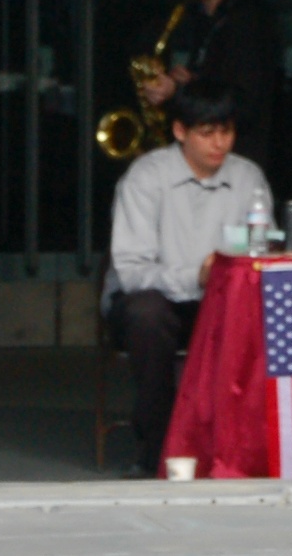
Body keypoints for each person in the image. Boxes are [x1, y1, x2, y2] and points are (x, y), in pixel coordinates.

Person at [108, 80, 272, 477]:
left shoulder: (248, 178)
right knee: (147, 314)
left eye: (226, 132)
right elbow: (131, 271)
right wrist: (197, 275)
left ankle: (242, 447)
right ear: (180, 131)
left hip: (223, 303)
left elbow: (262, 253)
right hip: (158, 302)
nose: (219, 143)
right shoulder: (146, 177)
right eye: (207, 132)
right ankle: (157, 446)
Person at [140, 0, 280, 178]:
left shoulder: (248, 22)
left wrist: (180, 91)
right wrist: (185, 84)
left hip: (234, 166)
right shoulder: (195, 18)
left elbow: (245, 104)